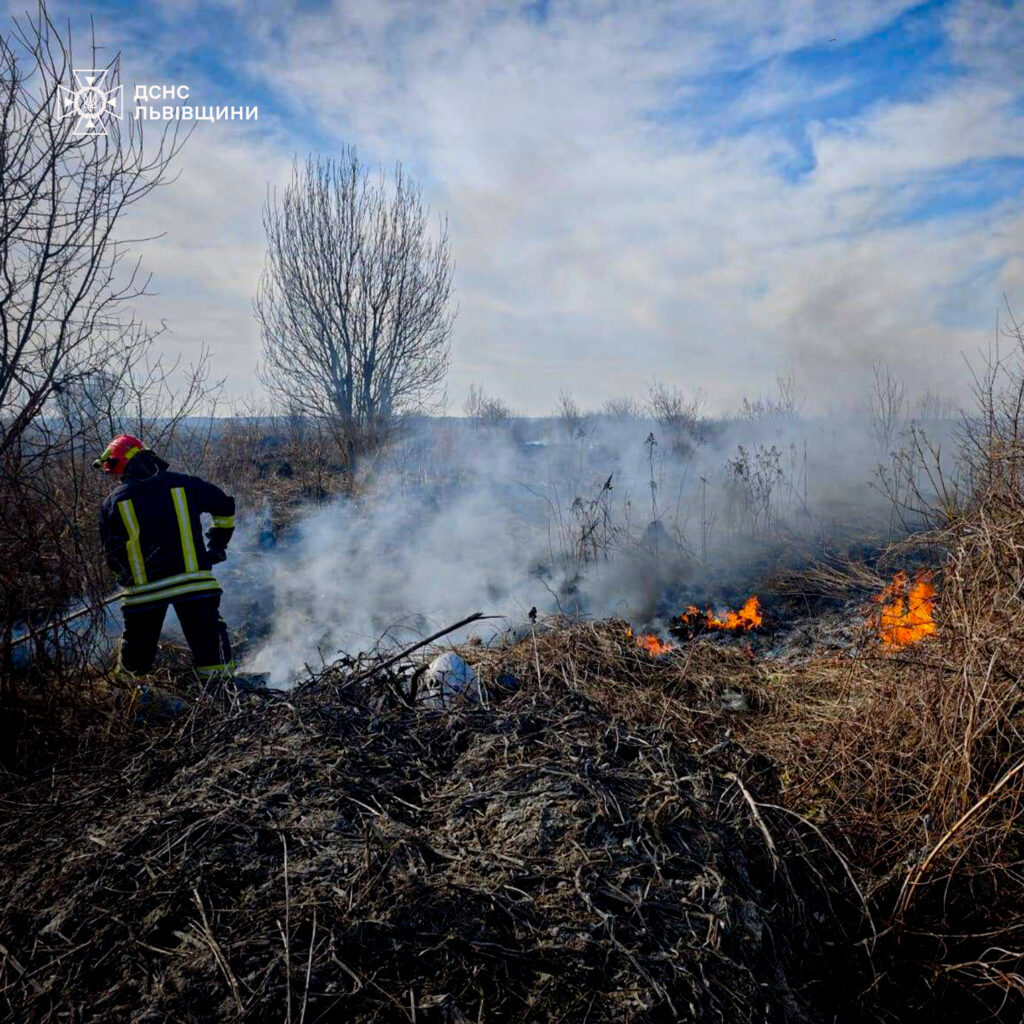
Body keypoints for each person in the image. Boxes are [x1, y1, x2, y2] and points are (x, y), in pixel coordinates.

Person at [95, 434, 238, 688]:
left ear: (121, 467)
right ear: (147, 456)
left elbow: (112, 553)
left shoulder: (112, 503)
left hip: (143, 594)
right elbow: (224, 506)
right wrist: (217, 546)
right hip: (193, 585)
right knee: (212, 653)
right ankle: (225, 702)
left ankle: (131, 704)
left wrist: (126, 580)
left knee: (134, 661)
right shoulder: (186, 485)